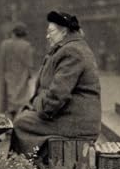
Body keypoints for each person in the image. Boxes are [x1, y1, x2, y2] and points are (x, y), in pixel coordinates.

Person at [12, 11, 101, 157]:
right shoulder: (69, 48)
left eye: (51, 32)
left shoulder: (72, 51)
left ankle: (29, 168)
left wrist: (38, 106)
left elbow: (57, 96)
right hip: (72, 115)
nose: (47, 36)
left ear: (64, 32)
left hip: (77, 121)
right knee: (24, 117)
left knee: (22, 123)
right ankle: (34, 166)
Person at [0, 22, 34, 120]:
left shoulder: (4, 45)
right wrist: (28, 76)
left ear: (13, 33)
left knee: (8, 107)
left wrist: (2, 76)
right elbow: (29, 65)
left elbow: (1, 63)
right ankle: (18, 128)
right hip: (21, 79)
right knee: (21, 106)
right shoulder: (26, 46)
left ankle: (8, 129)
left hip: (7, 79)